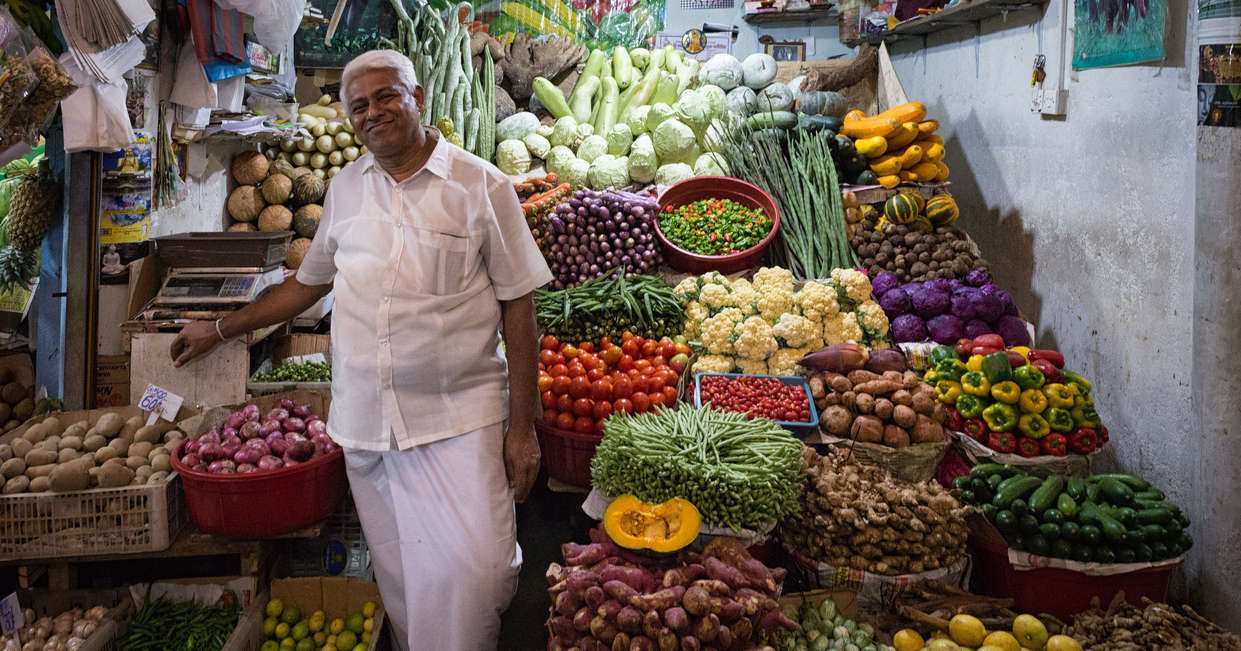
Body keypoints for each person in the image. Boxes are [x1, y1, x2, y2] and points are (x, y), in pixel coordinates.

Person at [169, 49, 551, 650]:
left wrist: (523, 429)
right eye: (360, 106)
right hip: (367, 424)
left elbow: (520, 307)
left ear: (418, 98)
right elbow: (306, 284)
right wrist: (220, 328)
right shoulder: (347, 188)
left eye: (387, 96)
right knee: (401, 576)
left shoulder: (481, 185)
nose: (374, 112)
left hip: (457, 418)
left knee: (481, 570)